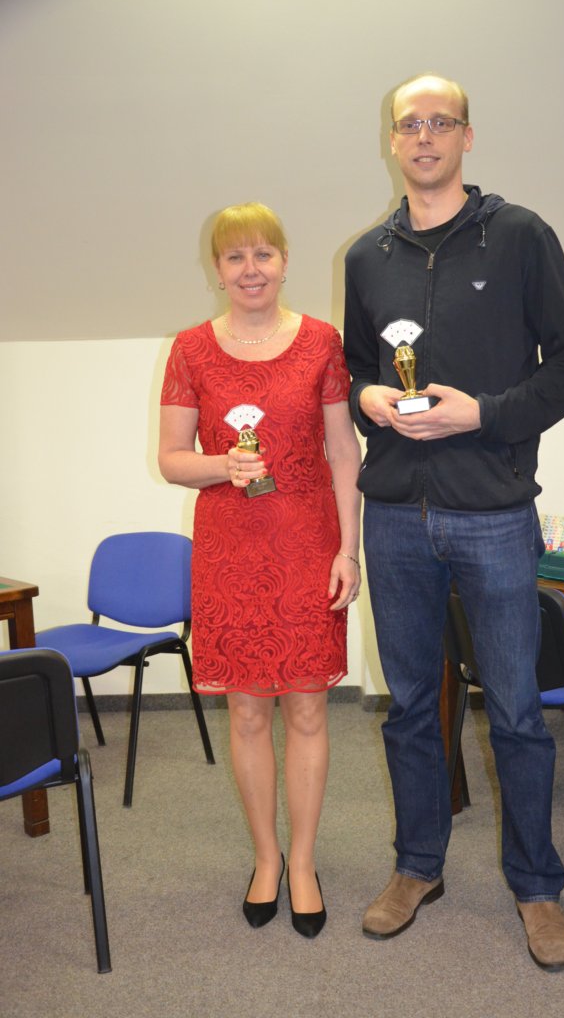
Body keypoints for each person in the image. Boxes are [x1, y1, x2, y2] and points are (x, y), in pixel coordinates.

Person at [343, 74, 564, 969]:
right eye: (408, 124)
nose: (423, 137)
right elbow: (352, 369)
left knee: (518, 712)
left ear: (467, 136)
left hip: (492, 512)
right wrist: (367, 396)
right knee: (411, 707)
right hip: (394, 515)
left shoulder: (522, 236)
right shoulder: (366, 257)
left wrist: (482, 415)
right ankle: (418, 867)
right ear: (392, 139)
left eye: (439, 122)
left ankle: (536, 887)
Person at [159, 202, 362, 938]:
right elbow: (171, 459)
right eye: (235, 257)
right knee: (246, 711)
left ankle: (303, 862)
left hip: (308, 545)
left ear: (284, 261)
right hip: (230, 551)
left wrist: (349, 549)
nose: (251, 270)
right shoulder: (190, 349)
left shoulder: (321, 342)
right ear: (217, 270)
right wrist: (223, 465)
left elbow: (343, 451)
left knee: (307, 708)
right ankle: (267, 858)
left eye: (263, 254)